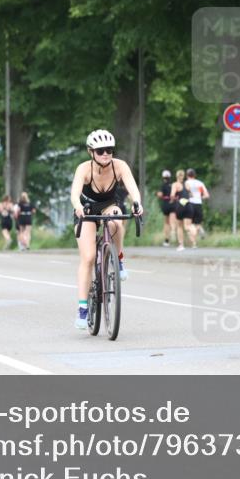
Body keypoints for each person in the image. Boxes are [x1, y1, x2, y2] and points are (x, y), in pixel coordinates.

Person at [70, 129, 143, 329]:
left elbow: (132, 188)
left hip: (109, 204)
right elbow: (75, 194)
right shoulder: (84, 169)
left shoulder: (120, 166)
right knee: (88, 257)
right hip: (85, 210)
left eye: (109, 150)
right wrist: (78, 208)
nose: (105, 154)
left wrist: (138, 203)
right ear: (91, 151)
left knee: (116, 221)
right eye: (101, 150)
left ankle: (118, 259)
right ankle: (83, 308)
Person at [183, 168, 210, 249]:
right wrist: (199, 197)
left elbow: (186, 193)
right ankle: (200, 230)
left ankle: (194, 243)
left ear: (187, 175)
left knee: (188, 226)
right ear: (194, 175)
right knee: (197, 224)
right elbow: (206, 195)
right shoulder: (200, 183)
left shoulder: (186, 182)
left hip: (190, 204)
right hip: (198, 204)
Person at [169, 169, 190, 251]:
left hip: (180, 204)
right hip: (188, 204)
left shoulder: (175, 184)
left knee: (179, 226)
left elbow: (172, 195)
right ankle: (194, 232)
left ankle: (181, 244)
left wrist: (172, 200)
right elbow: (190, 194)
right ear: (183, 176)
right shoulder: (187, 184)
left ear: (176, 176)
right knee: (187, 225)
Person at [156, 170, 174, 246]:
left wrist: (157, 194)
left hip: (166, 203)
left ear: (163, 177)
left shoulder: (162, 185)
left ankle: (167, 240)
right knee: (173, 221)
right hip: (173, 203)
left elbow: (160, 195)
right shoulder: (173, 185)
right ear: (170, 177)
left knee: (166, 223)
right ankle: (174, 234)